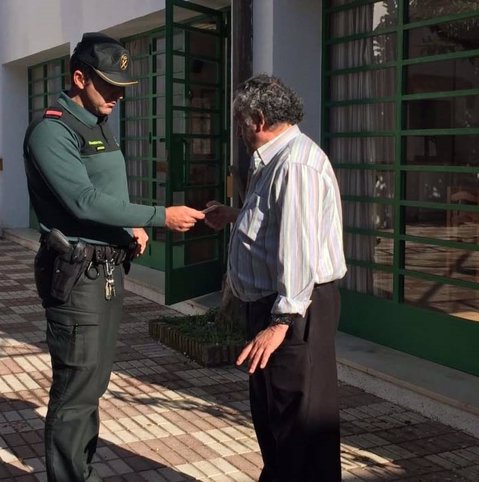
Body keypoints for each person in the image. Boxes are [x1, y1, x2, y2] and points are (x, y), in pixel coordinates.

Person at [23, 32, 204, 482]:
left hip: (104, 272)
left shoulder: (95, 120)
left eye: (122, 89)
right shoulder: (52, 130)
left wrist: (129, 228)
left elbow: (104, 194)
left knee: (94, 384)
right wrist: (159, 215)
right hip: (76, 275)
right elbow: (83, 201)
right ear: (78, 77)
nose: (117, 97)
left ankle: (81, 471)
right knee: (76, 390)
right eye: (108, 86)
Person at [205, 74, 347, 482]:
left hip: (293, 308)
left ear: (260, 118)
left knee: (296, 421)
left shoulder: (296, 164)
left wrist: (282, 321)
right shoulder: (273, 159)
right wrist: (234, 216)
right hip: (277, 304)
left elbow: (299, 249)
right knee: (275, 418)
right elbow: (279, 223)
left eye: (240, 122)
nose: (239, 130)